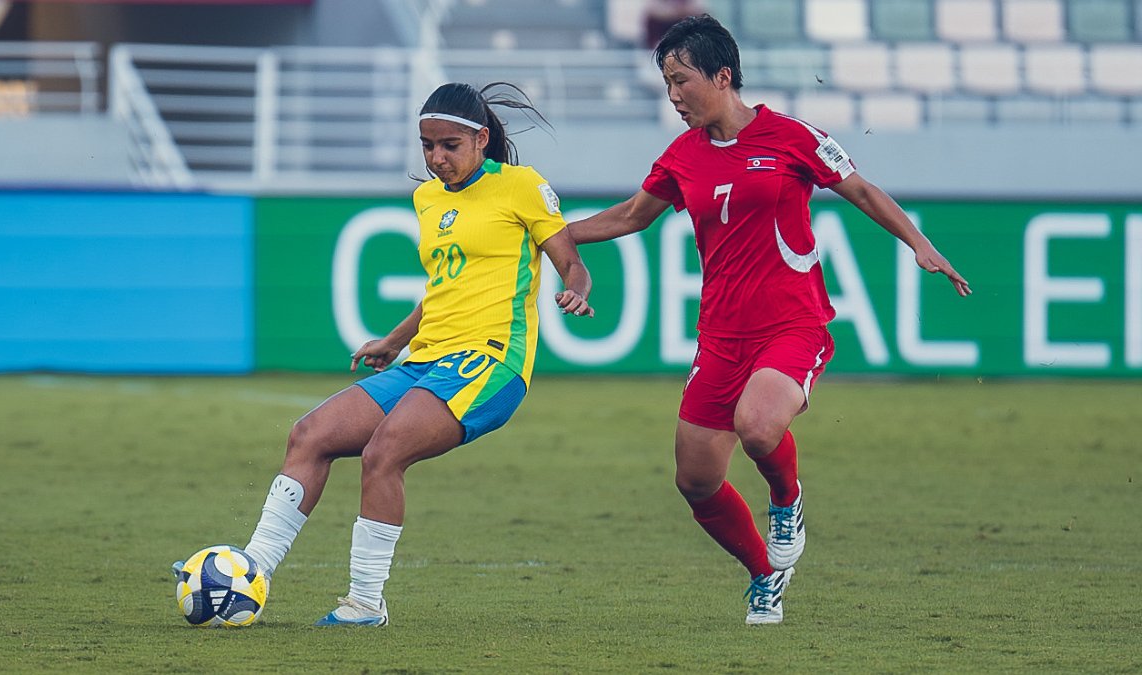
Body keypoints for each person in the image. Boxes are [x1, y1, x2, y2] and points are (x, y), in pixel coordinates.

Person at [567, 15, 971, 625]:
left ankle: (787, 499)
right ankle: (764, 575)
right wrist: (551, 238)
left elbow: (860, 190)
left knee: (757, 428)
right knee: (695, 481)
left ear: (723, 75)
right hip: (720, 338)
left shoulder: (791, 136)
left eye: (681, 81)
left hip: (792, 326)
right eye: (666, 84)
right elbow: (630, 216)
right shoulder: (681, 156)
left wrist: (918, 243)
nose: (673, 96)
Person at [178, 82, 595, 627]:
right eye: (427, 145)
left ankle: (365, 603)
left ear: (481, 139)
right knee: (310, 435)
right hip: (426, 359)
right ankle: (254, 567)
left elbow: (571, 261)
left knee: (383, 454)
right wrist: (395, 340)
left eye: (449, 145)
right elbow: (445, 284)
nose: (436, 158)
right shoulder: (427, 198)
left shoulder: (520, 187)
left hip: (491, 362)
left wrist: (576, 290)